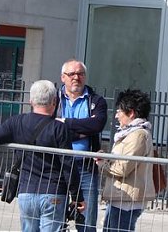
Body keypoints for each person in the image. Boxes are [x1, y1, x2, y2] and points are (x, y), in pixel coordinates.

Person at [0, 80, 79, 232]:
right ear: (54, 101)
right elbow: (68, 164)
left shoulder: (17, 122)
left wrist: (14, 137)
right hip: (53, 190)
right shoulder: (59, 128)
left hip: (26, 190)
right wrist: (76, 195)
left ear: (30, 101)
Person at [55, 59, 107, 232]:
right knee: (55, 221)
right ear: (63, 77)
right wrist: (83, 129)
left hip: (85, 167)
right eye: (71, 74)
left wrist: (64, 123)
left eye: (80, 74)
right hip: (57, 166)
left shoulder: (96, 100)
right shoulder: (53, 99)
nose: (76, 77)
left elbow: (97, 125)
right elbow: (48, 126)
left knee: (86, 223)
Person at [96, 89, 156, 232]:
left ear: (131, 113)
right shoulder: (130, 133)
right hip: (121, 198)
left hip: (126, 201)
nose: (116, 116)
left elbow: (123, 168)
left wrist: (102, 164)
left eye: (119, 111)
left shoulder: (138, 135)